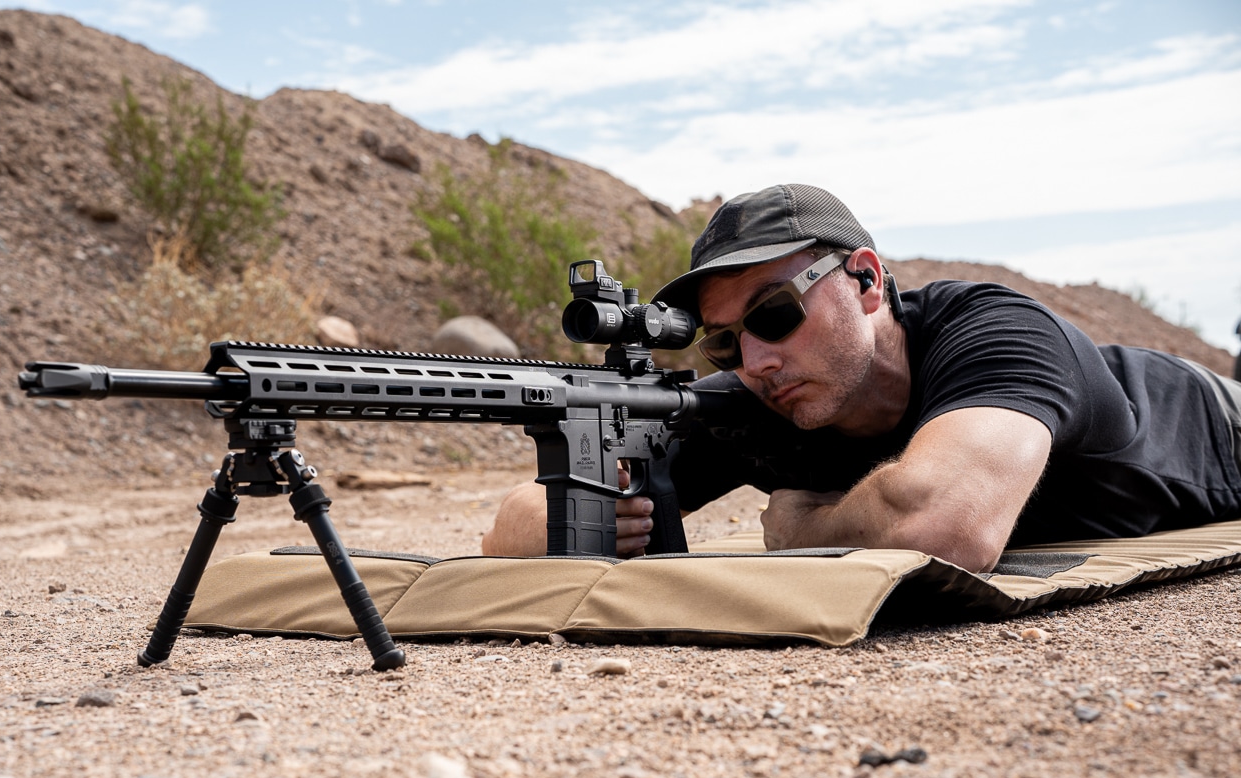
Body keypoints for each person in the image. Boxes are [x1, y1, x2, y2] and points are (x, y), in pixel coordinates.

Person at [482, 183, 1241, 572]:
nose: (754, 360)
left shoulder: (995, 331)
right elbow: (508, 521)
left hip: (1214, 425)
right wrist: (578, 519)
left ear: (868, 281)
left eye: (775, 313)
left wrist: (805, 528)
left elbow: (944, 524)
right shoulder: (759, 390)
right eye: (722, 341)